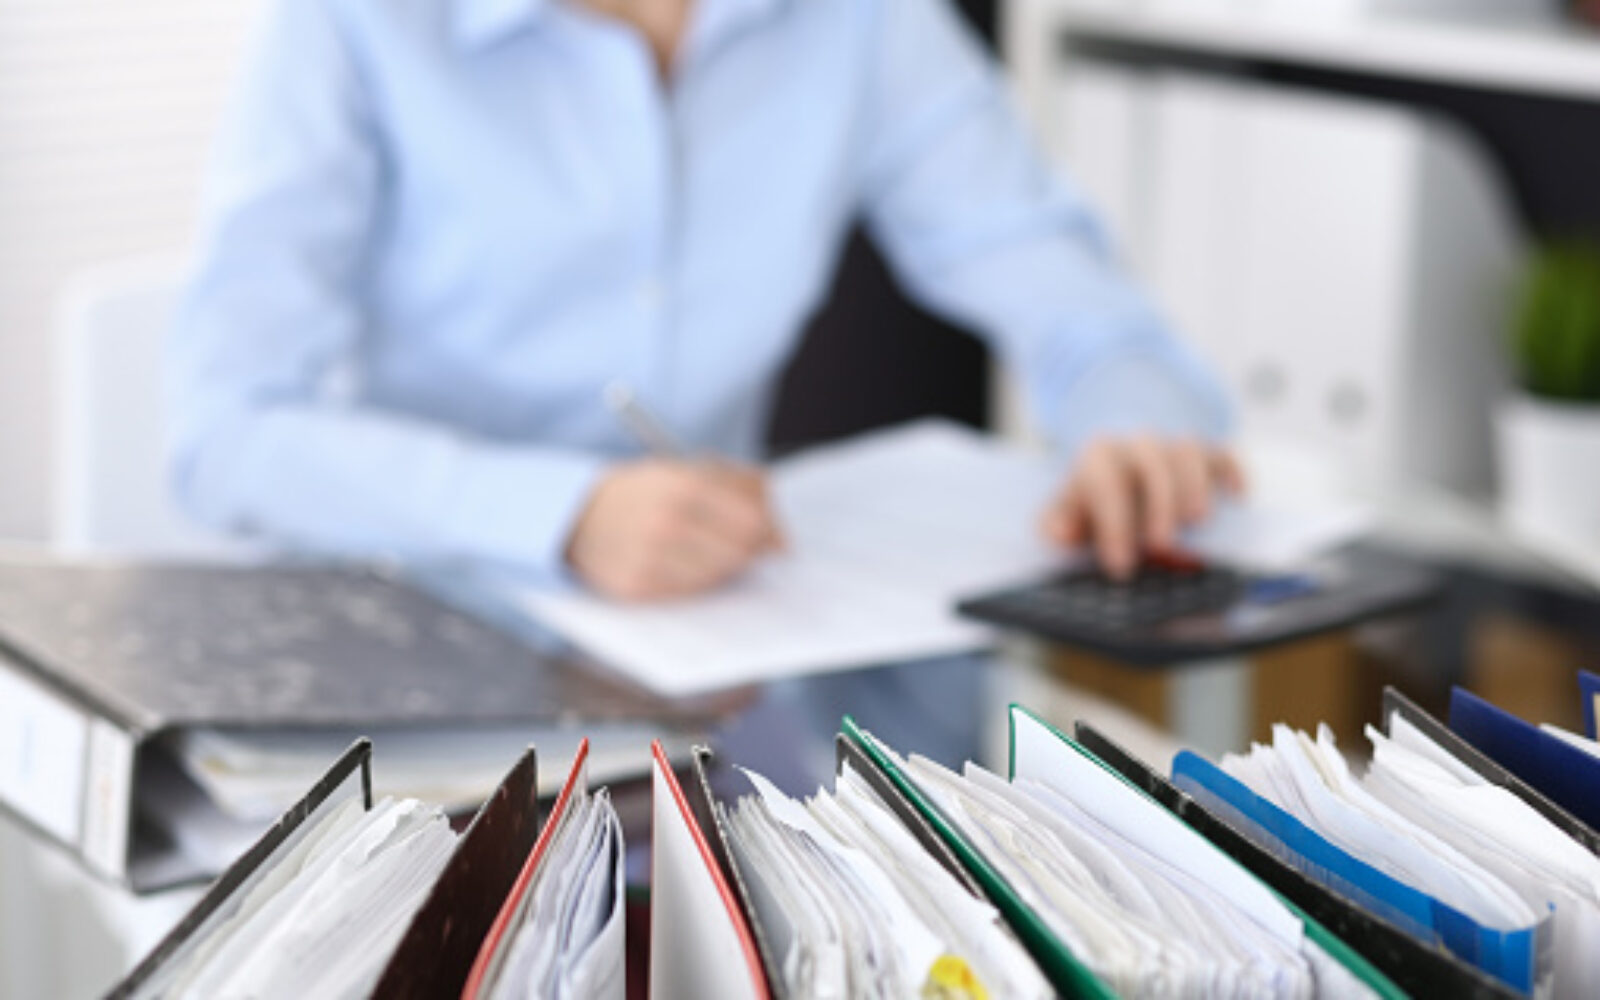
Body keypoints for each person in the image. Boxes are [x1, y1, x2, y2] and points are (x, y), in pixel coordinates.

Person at [169, 0, 1239, 780]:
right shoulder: (350, 23)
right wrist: (564, 515)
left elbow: (1076, 303)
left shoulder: (861, 23)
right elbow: (225, 433)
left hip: (717, 667)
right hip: (426, 672)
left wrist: (1132, 424)